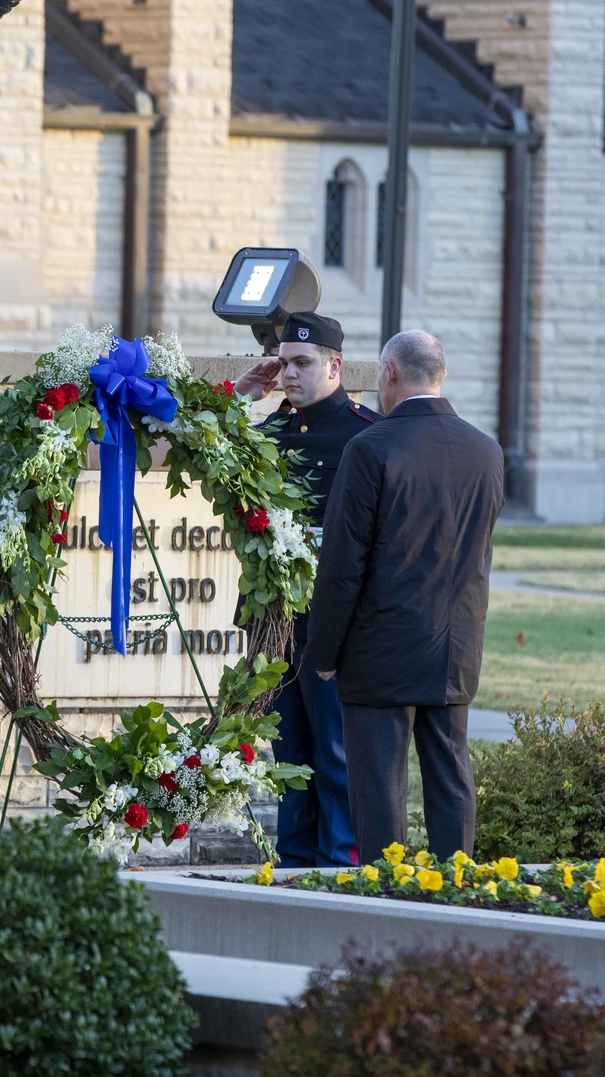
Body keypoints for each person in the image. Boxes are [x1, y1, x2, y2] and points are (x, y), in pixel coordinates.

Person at [304, 329, 504, 860]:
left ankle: (387, 899)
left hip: (379, 649)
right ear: (440, 375)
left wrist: (322, 651)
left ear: (389, 373)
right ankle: (455, 887)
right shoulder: (487, 452)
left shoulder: (371, 447)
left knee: (379, 788)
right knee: (451, 778)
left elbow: (343, 566)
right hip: (454, 649)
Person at [232, 310, 380, 867]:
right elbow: (201, 443)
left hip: (331, 618)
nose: (289, 374)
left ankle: (340, 860)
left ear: (335, 366)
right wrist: (240, 396)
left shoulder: (366, 435)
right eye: (284, 364)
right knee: (288, 746)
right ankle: (294, 859)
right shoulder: (267, 430)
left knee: (335, 747)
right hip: (274, 617)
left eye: (302, 363)